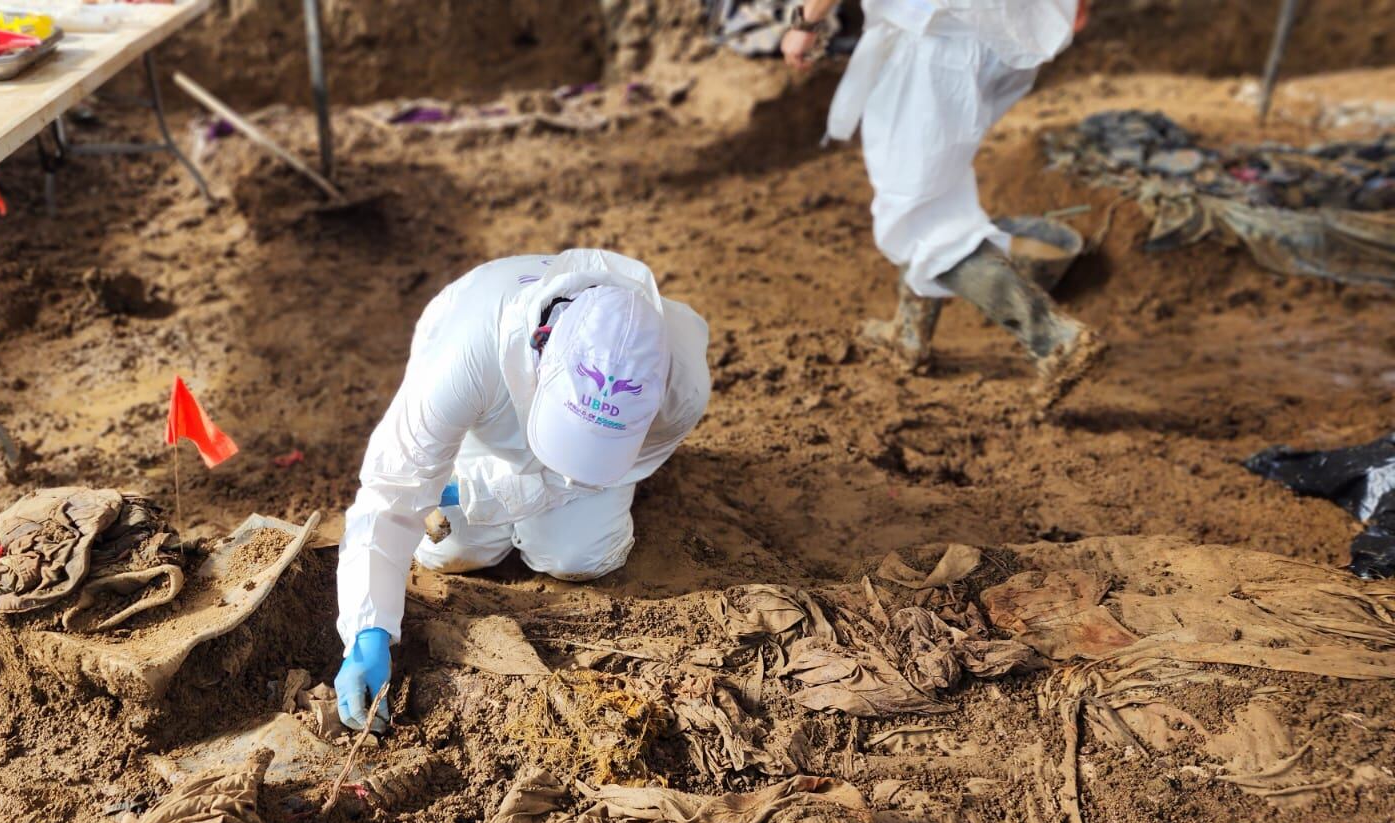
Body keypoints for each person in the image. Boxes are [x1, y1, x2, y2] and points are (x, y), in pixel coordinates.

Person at [333, 249, 711, 730]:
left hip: (590, 462)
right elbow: (390, 493)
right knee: (450, 552)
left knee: (577, 556)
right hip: (487, 415)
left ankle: (542, 506)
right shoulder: (464, 357)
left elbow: (586, 476)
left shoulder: (683, 390)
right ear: (541, 345)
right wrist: (367, 630)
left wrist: (479, 492)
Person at [782, 0, 1102, 404]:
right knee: (929, 189)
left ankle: (1055, 339)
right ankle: (909, 332)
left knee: (917, 212)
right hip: (997, 38)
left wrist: (805, 22)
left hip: (938, 46)